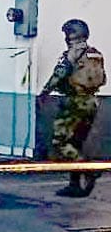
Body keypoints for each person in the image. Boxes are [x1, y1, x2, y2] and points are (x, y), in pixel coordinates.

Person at [41, 19, 106, 197]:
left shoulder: (73, 53)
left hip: (75, 102)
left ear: (72, 35)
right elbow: (103, 79)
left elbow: (60, 73)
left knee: (60, 142)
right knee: (76, 142)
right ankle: (75, 184)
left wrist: (45, 91)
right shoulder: (95, 54)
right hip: (92, 102)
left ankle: (88, 169)